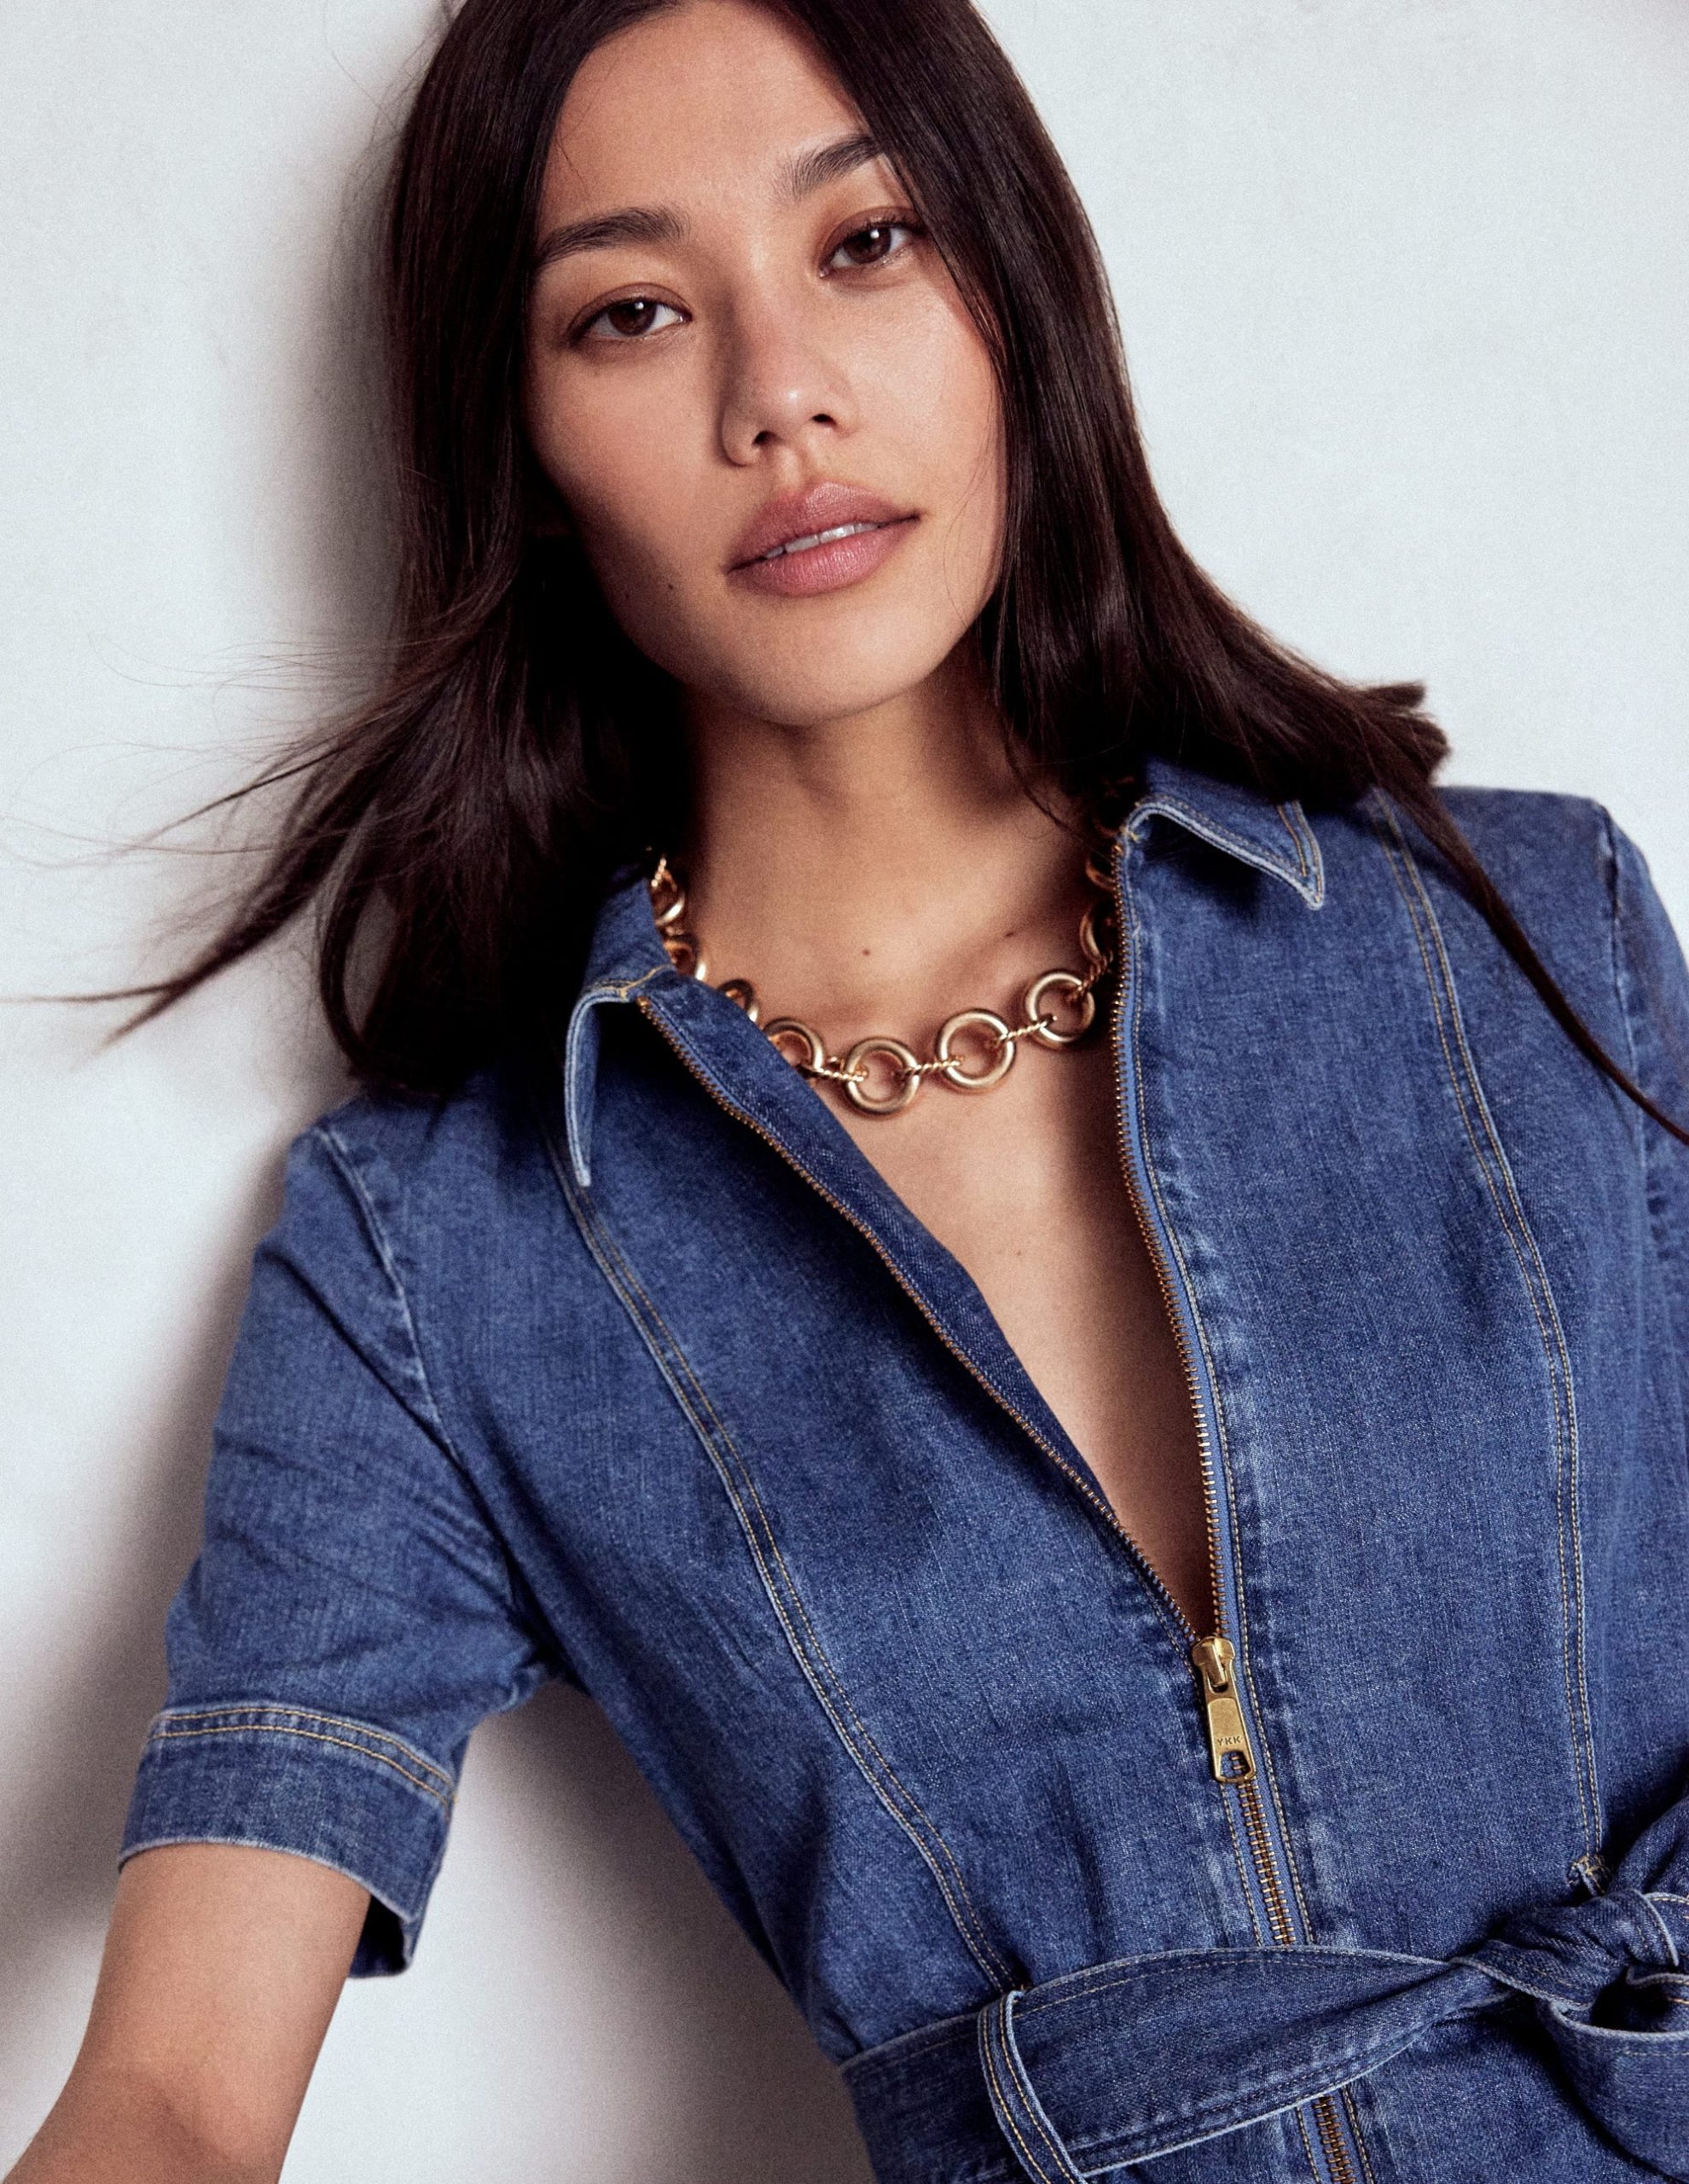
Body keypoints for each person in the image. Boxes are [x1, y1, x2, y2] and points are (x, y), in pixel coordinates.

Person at [12, 1, 1689, 2179]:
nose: (777, 392)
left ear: (1017, 295)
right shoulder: (451, 1244)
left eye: (869, 241)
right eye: (629, 311)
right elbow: (169, 2091)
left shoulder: (1527, 935)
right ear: (524, 442)